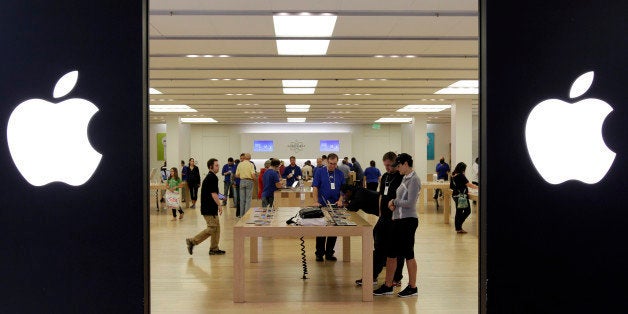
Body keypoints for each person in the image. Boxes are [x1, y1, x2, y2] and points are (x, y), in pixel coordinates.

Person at [353, 152, 405, 287]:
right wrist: (381, 213)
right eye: (385, 165)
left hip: (397, 219)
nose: (387, 168)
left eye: (389, 165)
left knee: (397, 250)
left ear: (395, 163)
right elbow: (381, 195)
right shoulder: (386, 177)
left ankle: (397, 278)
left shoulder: (402, 177)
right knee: (378, 247)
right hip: (384, 218)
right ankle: (372, 276)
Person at [374, 153, 420, 297]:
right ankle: (388, 285)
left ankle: (412, 287)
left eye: (399, 166)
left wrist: (394, 202)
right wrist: (394, 203)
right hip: (398, 220)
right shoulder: (405, 178)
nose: (397, 168)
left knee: (408, 255)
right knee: (391, 254)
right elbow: (400, 198)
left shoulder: (414, 179)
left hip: (408, 221)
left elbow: (410, 203)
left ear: (406, 164)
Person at [185, 158, 226, 255]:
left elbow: (215, 193)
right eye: (216, 165)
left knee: (217, 228)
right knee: (212, 228)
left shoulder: (211, 177)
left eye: (218, 165)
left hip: (210, 207)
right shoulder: (212, 177)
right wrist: (220, 205)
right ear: (211, 167)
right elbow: (213, 194)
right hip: (208, 208)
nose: (218, 167)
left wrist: (222, 197)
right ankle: (192, 241)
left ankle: (214, 249)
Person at [312, 153, 345, 261]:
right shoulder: (319, 172)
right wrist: (315, 201)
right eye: (331, 163)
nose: (332, 166)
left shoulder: (340, 173)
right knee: (321, 230)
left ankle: (329, 253)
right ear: (326, 162)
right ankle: (319, 253)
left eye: (335, 164)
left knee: (333, 230)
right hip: (322, 204)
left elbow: (343, 190)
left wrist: (340, 200)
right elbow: (315, 187)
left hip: (335, 206)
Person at [450, 162, 478, 234]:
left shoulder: (453, 175)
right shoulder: (461, 175)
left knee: (459, 212)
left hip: (455, 195)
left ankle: (458, 227)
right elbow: (468, 184)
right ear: (462, 169)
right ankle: (458, 227)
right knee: (467, 211)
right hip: (461, 196)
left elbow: (451, 187)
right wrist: (478, 187)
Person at [235, 153, 256, 217]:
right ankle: (246, 216)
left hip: (242, 181)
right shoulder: (251, 164)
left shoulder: (240, 164)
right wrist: (255, 180)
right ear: (249, 158)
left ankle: (241, 215)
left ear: (244, 157)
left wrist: (242, 176)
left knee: (242, 199)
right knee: (248, 199)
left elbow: (237, 175)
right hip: (249, 181)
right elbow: (253, 175)